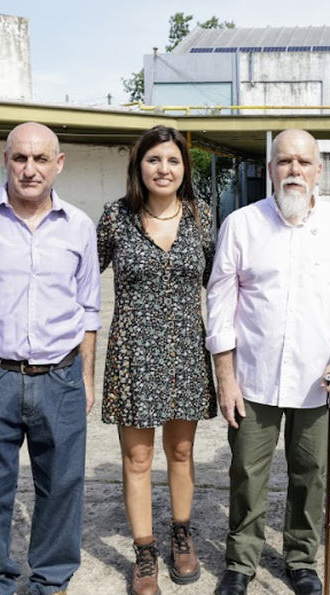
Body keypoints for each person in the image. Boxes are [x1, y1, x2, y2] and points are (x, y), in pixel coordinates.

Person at [0, 122, 101, 595]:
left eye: (41, 159)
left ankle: (51, 580)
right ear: (5, 160)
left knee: (62, 485)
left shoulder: (80, 227)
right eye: (20, 158)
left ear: (58, 164)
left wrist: (86, 376)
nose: (30, 170)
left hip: (61, 375)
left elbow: (89, 309)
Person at [206, 129, 330, 595]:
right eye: (284, 162)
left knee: (310, 472)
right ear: (270, 168)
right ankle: (241, 561)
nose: (293, 171)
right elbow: (220, 303)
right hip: (252, 379)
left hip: (316, 380)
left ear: (319, 171)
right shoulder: (241, 224)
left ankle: (301, 557)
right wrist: (225, 378)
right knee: (247, 473)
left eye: (303, 162)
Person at [97, 126, 217, 595]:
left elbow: (224, 284)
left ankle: (181, 533)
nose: (163, 169)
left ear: (184, 169)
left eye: (173, 160)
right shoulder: (116, 218)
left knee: (182, 451)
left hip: (185, 351)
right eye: (154, 160)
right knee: (138, 456)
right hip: (133, 350)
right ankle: (144, 551)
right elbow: (82, 276)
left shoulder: (202, 217)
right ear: (139, 166)